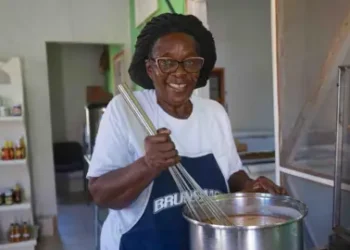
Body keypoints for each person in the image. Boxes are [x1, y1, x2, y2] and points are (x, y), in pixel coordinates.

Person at [87, 13, 287, 250]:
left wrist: (249, 188)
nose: (180, 73)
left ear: (199, 69)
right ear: (150, 68)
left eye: (190, 62)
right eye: (167, 62)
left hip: (205, 244)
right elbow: (100, 193)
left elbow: (232, 173)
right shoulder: (125, 110)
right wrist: (147, 165)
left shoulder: (214, 112)